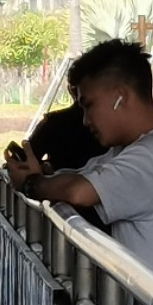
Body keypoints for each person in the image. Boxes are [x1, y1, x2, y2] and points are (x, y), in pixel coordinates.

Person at [3, 39, 153, 305]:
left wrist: (30, 184)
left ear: (122, 96)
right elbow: (79, 175)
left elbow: (79, 191)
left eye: (89, 105)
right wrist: (45, 173)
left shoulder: (147, 160)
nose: (85, 120)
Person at [23, 84, 110, 232]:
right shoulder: (114, 147)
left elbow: (79, 191)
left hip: (65, 212)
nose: (87, 122)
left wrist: (33, 182)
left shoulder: (55, 122)